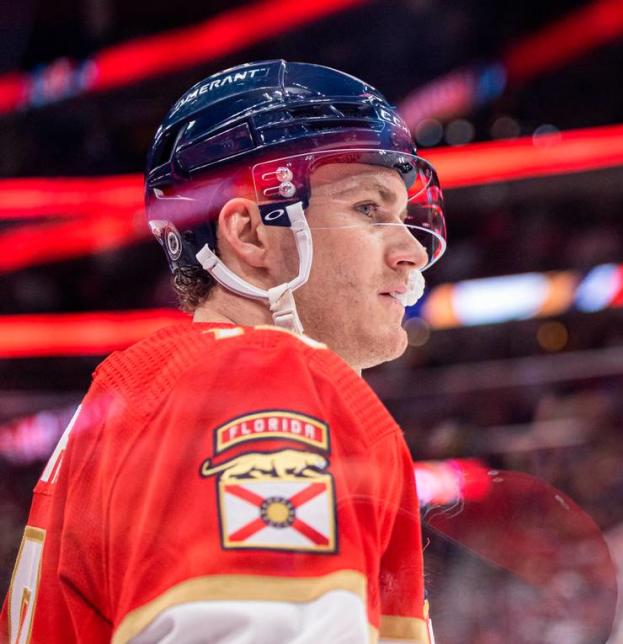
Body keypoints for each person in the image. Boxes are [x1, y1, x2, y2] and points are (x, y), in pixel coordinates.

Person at [1, 60, 446, 643]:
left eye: (403, 216)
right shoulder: (255, 376)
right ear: (253, 234)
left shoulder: (150, 388)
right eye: (368, 209)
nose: (411, 251)